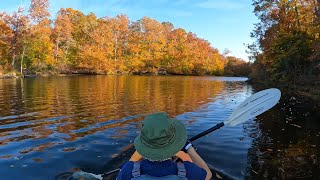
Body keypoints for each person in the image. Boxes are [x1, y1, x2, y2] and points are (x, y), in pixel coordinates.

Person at [117, 112, 212, 180]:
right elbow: (208, 175)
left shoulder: (129, 170)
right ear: (175, 145)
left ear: (143, 146)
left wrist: (143, 149)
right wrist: (188, 148)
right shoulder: (189, 171)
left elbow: (131, 163)